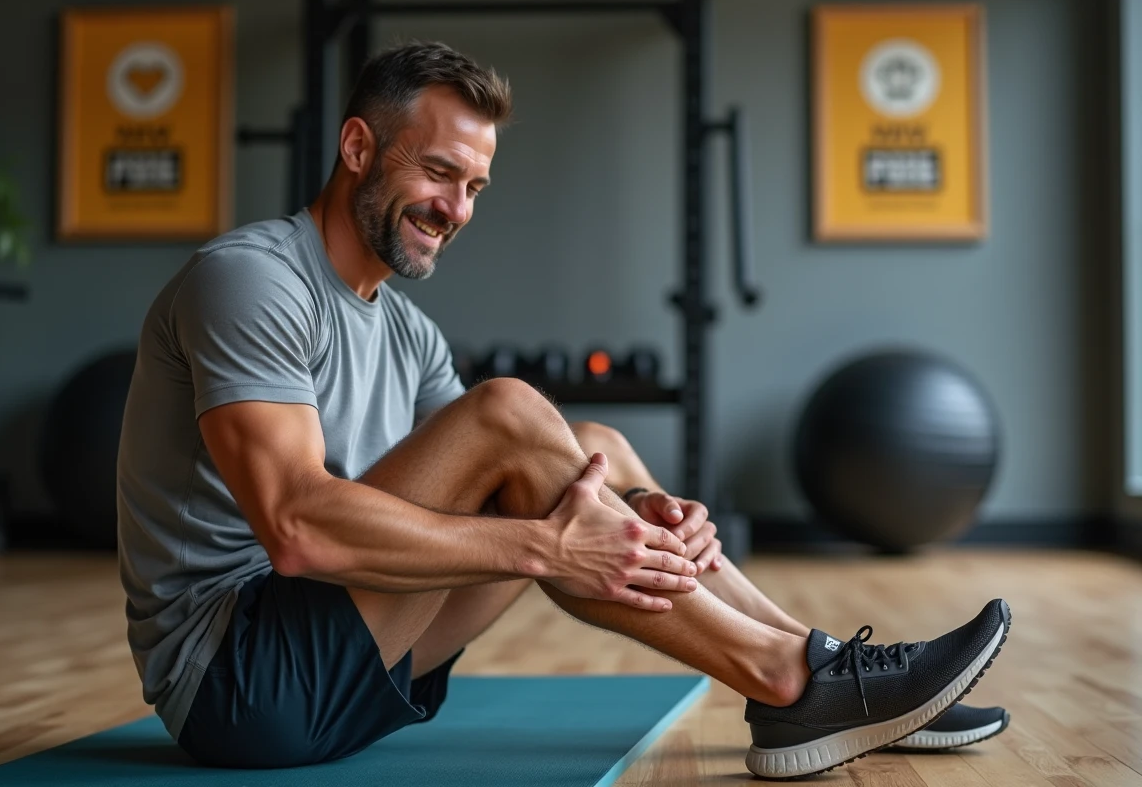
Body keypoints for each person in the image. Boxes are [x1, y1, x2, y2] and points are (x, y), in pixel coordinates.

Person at [116, 41, 1011, 780]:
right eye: (436, 172)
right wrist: (549, 545)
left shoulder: (409, 333)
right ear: (357, 148)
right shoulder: (253, 281)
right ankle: (794, 679)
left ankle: (822, 668)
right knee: (509, 411)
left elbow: (509, 482)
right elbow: (298, 530)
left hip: (353, 667)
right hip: (237, 685)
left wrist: (641, 513)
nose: (455, 209)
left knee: (595, 448)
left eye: (474, 187)